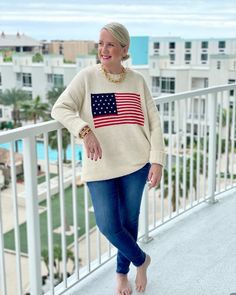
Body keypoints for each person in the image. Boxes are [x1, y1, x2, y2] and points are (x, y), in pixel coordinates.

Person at [51, 22, 165, 295]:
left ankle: (121, 273)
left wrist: (157, 160)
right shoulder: (87, 77)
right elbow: (61, 108)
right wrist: (85, 131)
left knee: (129, 222)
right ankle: (142, 260)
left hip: (137, 163)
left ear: (124, 49)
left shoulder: (137, 80)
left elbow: (154, 122)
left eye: (110, 44)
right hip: (100, 165)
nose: (103, 49)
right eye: (100, 43)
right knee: (108, 225)